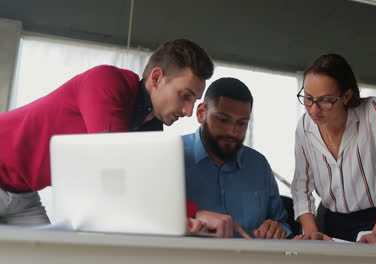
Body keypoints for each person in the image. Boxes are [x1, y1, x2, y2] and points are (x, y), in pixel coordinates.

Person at [0, 39, 240, 237]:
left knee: (48, 256)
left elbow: (148, 187)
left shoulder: (151, 131)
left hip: (24, 195)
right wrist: (190, 214)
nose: (188, 111)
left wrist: (190, 216)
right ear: (156, 78)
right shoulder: (106, 81)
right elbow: (111, 165)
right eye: (184, 96)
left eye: (194, 101)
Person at [291, 54, 376, 244]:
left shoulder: (371, 110)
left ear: (346, 96)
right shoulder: (304, 127)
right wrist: (311, 232)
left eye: (325, 101)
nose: (313, 109)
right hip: (330, 221)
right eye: (308, 98)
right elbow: (301, 187)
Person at [184, 77, 292, 239]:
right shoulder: (174, 156)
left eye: (241, 123)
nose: (232, 131)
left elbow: (281, 223)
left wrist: (277, 228)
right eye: (223, 120)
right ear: (201, 113)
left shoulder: (258, 165)